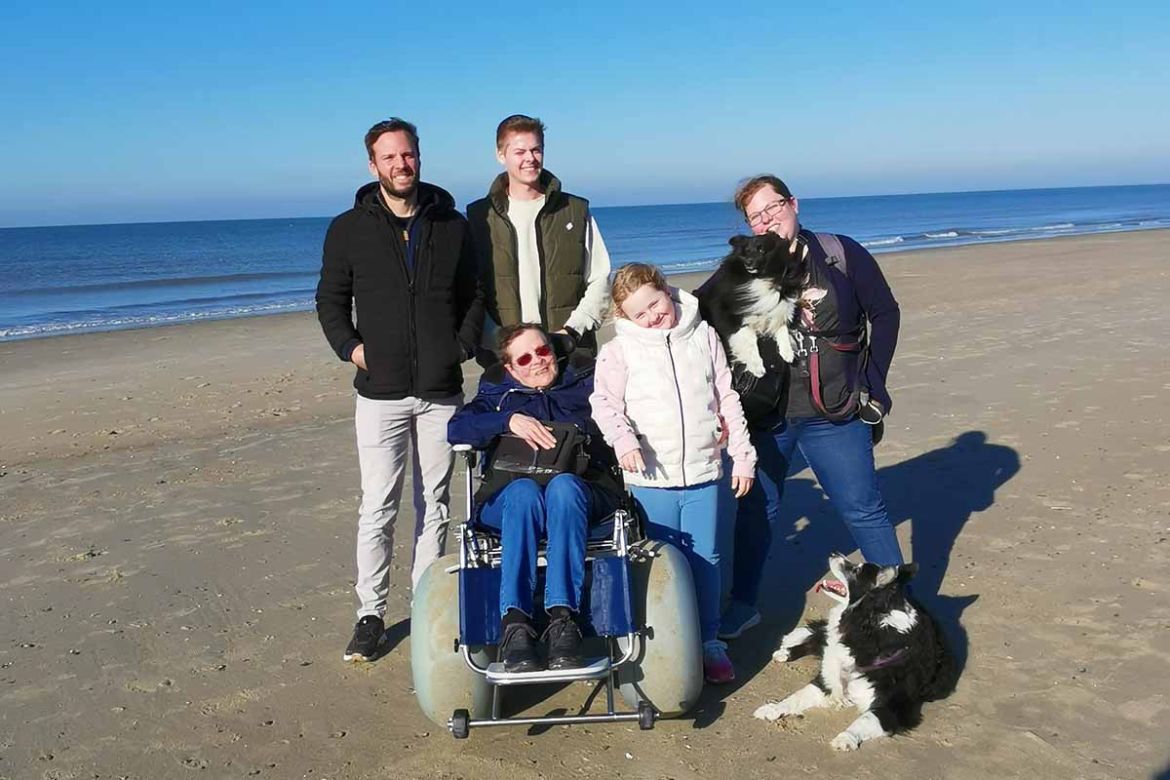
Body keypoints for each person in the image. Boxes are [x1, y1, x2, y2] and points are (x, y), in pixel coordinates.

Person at [316, 117, 484, 663]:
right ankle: (370, 614)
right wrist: (353, 349)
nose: (400, 165)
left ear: (420, 157)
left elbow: (473, 294)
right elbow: (330, 301)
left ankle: (427, 600)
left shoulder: (452, 225)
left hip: (440, 389)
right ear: (373, 166)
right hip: (379, 392)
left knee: (435, 502)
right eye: (389, 158)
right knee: (378, 505)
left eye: (407, 155)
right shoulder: (348, 228)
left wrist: (458, 346)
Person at [714, 174, 904, 641]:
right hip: (767, 414)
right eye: (755, 216)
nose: (766, 219)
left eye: (772, 207)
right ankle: (743, 606)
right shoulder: (744, 263)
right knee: (757, 511)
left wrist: (874, 386)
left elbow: (885, 313)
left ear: (793, 203)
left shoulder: (839, 253)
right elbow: (703, 311)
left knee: (863, 509)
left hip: (834, 411)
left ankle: (897, 604)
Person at [590, 263, 756, 684]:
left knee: (706, 559)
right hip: (651, 479)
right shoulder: (619, 350)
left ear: (666, 290)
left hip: (704, 472)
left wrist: (742, 454)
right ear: (625, 317)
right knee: (659, 563)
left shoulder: (702, 335)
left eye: (654, 304)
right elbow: (604, 404)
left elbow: (727, 397)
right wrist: (624, 442)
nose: (652, 316)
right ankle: (664, 642)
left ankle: (708, 640)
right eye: (638, 313)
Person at [447, 324, 623, 672]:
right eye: (525, 358)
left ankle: (562, 619)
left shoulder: (586, 384)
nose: (537, 362)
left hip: (582, 493)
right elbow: (456, 430)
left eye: (542, 351)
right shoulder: (496, 395)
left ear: (553, 350)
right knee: (525, 493)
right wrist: (506, 421)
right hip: (510, 499)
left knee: (563, 488)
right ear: (510, 368)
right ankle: (515, 623)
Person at [466, 114, 611, 359]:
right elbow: (470, 290)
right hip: (506, 358)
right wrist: (499, 341)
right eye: (520, 152)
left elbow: (600, 278)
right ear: (501, 155)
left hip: (570, 352)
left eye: (536, 150)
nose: (530, 159)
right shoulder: (479, 217)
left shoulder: (574, 211)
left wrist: (571, 332)